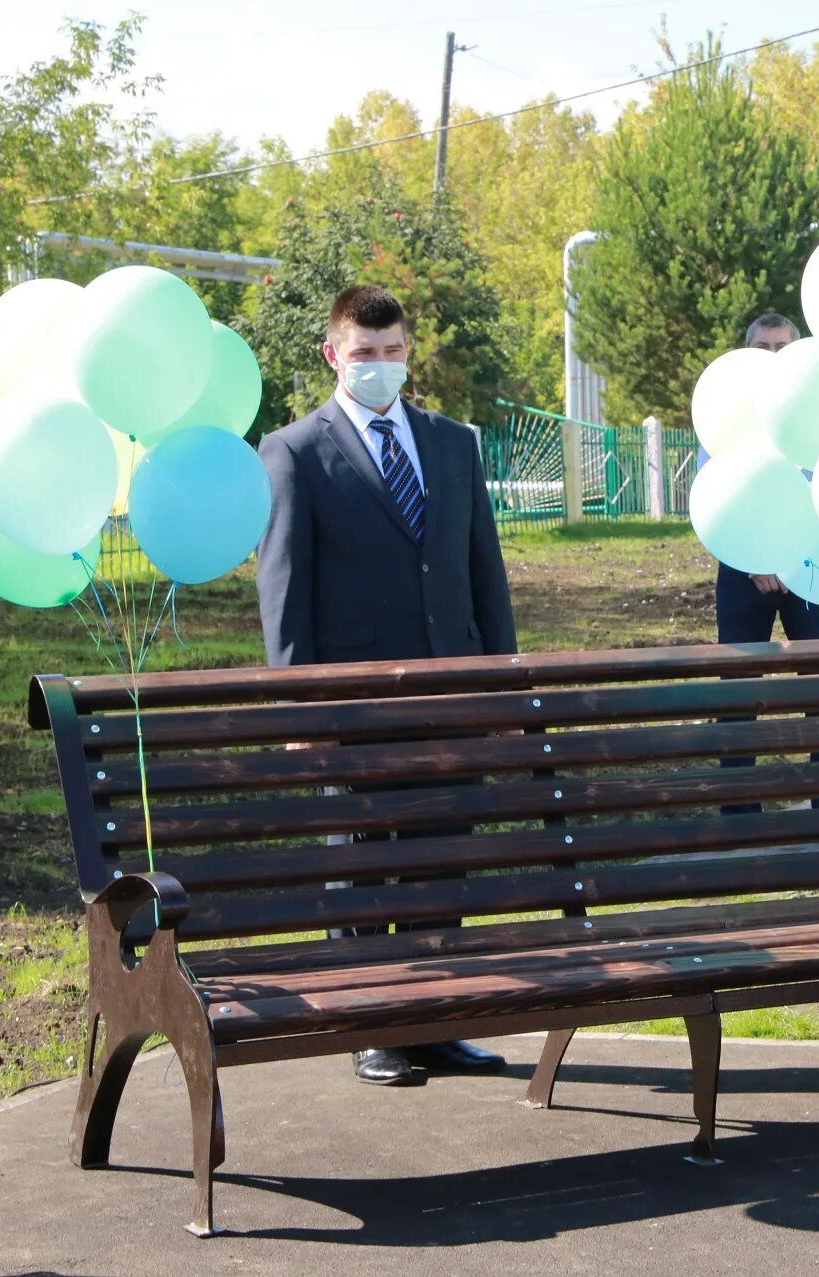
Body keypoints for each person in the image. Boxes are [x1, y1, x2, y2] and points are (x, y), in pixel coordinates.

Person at [256, 283, 517, 1086]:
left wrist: (500, 677)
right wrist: (301, 701)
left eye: (393, 351)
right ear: (334, 355)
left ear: (410, 351)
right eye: (364, 354)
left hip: (450, 686)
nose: (380, 365)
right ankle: (372, 1021)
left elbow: (483, 568)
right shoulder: (296, 450)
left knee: (441, 856)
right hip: (356, 699)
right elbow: (284, 583)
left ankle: (436, 1017)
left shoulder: (450, 443)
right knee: (363, 859)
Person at [712, 313, 819, 822]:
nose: (771, 356)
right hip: (741, 569)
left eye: (781, 347)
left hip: (810, 569)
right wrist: (757, 557)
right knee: (738, 691)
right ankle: (740, 814)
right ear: (745, 350)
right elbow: (719, 492)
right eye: (761, 346)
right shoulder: (724, 408)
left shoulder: (818, 414)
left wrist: (787, 559)